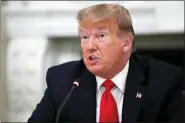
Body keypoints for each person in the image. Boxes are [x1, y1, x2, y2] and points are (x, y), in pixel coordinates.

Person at [28, 3, 184, 122]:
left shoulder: (163, 80)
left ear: (126, 43)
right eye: (84, 37)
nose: (90, 46)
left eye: (101, 35)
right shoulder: (63, 79)